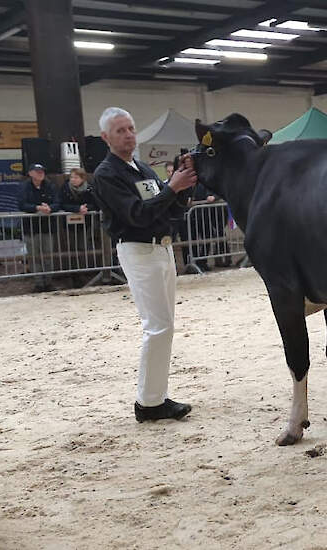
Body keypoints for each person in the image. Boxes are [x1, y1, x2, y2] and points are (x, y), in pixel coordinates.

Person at [92, 106, 197, 423]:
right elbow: (136, 213)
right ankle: (149, 403)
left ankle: (155, 397)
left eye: (131, 128)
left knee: (165, 327)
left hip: (162, 249)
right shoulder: (107, 174)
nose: (128, 135)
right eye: (121, 130)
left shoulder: (141, 168)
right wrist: (171, 188)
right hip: (138, 250)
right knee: (157, 326)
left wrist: (182, 186)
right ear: (106, 137)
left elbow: (167, 210)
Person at [17, 163, 60, 292]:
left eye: (42, 171)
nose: (40, 173)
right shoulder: (24, 187)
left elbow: (58, 202)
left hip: (47, 227)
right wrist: (37, 208)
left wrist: (50, 208)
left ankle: (48, 282)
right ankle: (38, 283)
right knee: (34, 256)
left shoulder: (50, 186)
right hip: (31, 228)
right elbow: (21, 204)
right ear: (30, 173)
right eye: (37, 171)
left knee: (47, 255)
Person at [58, 167, 101, 282]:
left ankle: (84, 271)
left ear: (82, 178)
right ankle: (73, 273)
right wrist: (77, 208)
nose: (73, 179)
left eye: (76, 177)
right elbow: (61, 204)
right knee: (71, 248)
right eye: (71, 177)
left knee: (83, 247)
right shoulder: (65, 188)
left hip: (85, 224)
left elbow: (96, 203)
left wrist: (86, 208)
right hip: (69, 224)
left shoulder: (90, 188)